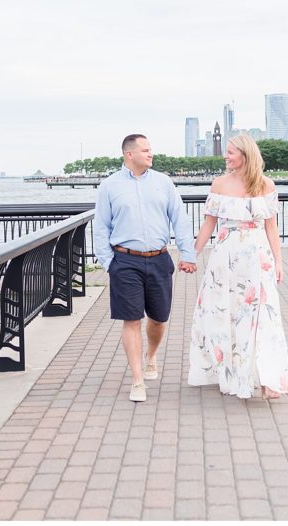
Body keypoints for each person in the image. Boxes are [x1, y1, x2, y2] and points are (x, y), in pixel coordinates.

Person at [186, 134, 288, 399]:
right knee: (224, 312)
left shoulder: (265, 185)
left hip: (257, 257)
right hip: (225, 256)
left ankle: (267, 376)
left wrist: (278, 262)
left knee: (263, 315)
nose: (226, 156)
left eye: (231, 152)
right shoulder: (219, 184)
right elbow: (209, 224)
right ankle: (230, 371)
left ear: (245, 154)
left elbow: (271, 227)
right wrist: (191, 255)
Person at [94, 134, 197, 402]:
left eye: (150, 149)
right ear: (129, 154)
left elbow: (180, 220)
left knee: (159, 318)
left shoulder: (163, 183)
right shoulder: (109, 187)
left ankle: (151, 357)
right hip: (125, 261)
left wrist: (188, 254)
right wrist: (108, 263)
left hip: (159, 258)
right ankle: (137, 380)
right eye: (145, 150)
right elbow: (101, 227)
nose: (151, 154)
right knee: (131, 319)